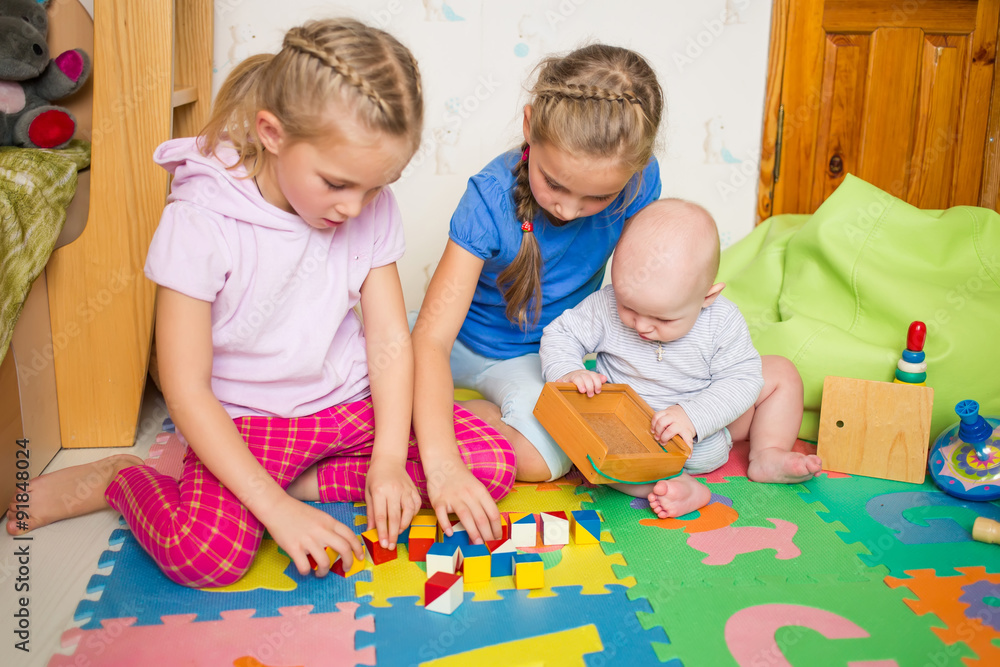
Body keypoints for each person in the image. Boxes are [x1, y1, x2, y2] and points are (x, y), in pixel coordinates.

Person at [5, 19, 516, 587]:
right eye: (337, 183)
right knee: (205, 557)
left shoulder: (368, 205)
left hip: (347, 404)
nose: (357, 207)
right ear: (271, 132)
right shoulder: (201, 219)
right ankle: (120, 480)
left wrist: (391, 462)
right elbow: (186, 388)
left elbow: (391, 342)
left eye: (376, 187)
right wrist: (275, 511)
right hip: (247, 422)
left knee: (491, 464)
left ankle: (298, 480)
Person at [412, 44, 664, 544]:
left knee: (548, 459)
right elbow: (430, 341)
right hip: (454, 342)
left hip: (534, 359)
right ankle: (432, 416)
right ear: (529, 126)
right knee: (360, 373)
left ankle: (455, 415)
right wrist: (440, 467)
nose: (570, 210)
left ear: (634, 172)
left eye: (598, 197)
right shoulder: (488, 197)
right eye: (554, 184)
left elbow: (642, 291)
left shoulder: (640, 184)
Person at [539, 199, 823, 518]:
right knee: (589, 454)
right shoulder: (605, 305)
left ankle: (769, 453)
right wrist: (569, 370)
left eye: (663, 319)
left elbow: (743, 380)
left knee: (780, 372)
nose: (642, 326)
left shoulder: (722, 319)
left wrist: (694, 416)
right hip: (632, 441)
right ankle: (676, 484)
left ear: (707, 297)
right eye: (629, 308)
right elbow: (561, 333)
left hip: (708, 429)